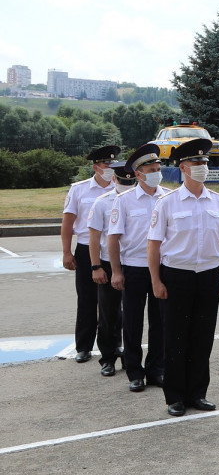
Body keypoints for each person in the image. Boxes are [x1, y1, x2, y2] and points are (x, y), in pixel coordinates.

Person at [147, 138, 219, 416]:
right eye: (197, 162)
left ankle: (198, 393)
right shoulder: (167, 203)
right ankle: (175, 396)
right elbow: (154, 244)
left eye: (205, 162)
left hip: (208, 275)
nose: (203, 166)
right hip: (176, 276)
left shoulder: (218, 202)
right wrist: (156, 281)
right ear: (183, 167)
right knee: (176, 337)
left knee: (202, 337)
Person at [108, 143, 169, 392]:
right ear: (138, 173)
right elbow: (113, 239)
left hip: (163, 268)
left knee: (160, 322)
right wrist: (116, 271)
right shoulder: (124, 201)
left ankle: (156, 369)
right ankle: (134, 371)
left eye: (158, 168)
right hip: (133, 268)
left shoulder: (168, 197)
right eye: (152, 169)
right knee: (132, 322)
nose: (157, 172)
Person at [61, 145, 118, 365]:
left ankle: (115, 343)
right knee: (87, 299)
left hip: (112, 250)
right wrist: (66, 252)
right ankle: (84, 347)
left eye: (113, 164)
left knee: (113, 301)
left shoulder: (122, 188)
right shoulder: (79, 189)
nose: (110, 169)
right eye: (106, 165)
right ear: (96, 167)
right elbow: (67, 223)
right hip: (86, 249)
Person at [86, 160, 135, 377]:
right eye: (123, 180)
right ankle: (108, 358)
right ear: (114, 179)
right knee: (108, 314)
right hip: (107, 262)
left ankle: (130, 358)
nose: (127, 184)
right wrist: (96, 266)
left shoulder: (144, 199)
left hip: (135, 263)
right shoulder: (102, 202)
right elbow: (94, 237)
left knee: (132, 315)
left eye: (130, 180)